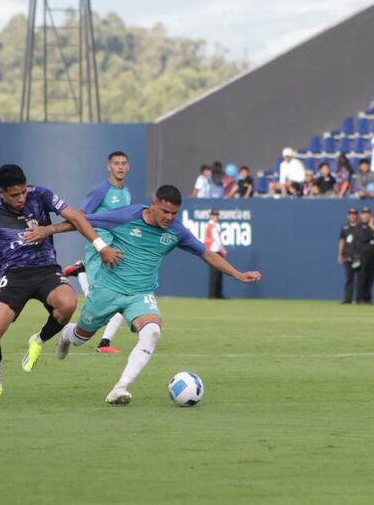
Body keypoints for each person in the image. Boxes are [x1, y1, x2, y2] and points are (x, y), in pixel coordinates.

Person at [33, 185, 261, 405]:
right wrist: (48, 230)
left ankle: (120, 388)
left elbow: (206, 253)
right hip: (107, 289)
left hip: (140, 294)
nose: (169, 217)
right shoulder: (125, 216)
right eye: (165, 211)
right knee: (81, 337)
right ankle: (66, 335)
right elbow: (80, 221)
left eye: (174, 213)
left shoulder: (176, 231)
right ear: (153, 204)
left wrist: (237, 274)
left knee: (152, 332)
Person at [0, 164, 121, 407]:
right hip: (14, 275)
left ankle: (38, 340)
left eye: (22, 193)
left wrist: (100, 247)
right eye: (14, 195)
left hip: (46, 269)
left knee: (68, 303)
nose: (21, 199)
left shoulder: (41, 195)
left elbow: (76, 218)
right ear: (2, 193)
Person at [63, 151, 132, 354]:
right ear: (108, 167)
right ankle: (81, 272)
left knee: (121, 296)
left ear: (128, 167)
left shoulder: (126, 193)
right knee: (101, 299)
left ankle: (104, 343)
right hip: (99, 249)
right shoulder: (101, 190)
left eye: (123, 163)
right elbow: (80, 217)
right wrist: (97, 243)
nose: (120, 167)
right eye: (116, 164)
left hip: (116, 251)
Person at [338, 208, 365, 304]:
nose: (352, 216)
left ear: (357, 216)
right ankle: (347, 299)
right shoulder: (345, 228)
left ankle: (359, 298)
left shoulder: (361, 227)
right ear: (348, 215)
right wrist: (340, 254)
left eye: (354, 214)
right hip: (347, 255)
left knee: (360, 278)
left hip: (358, 256)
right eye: (350, 214)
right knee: (349, 278)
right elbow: (342, 241)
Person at [359, 207, 374, 304]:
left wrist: (373, 227)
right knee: (363, 277)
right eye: (364, 213)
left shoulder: (373, 225)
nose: (366, 215)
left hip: (373, 254)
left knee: (370, 277)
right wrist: (373, 233)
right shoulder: (359, 226)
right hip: (363, 254)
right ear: (361, 215)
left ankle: (367, 298)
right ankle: (361, 298)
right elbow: (363, 237)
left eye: (368, 213)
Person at [204, 209, 227, 299]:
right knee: (214, 274)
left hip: (216, 251)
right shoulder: (211, 226)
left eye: (217, 215)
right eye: (214, 215)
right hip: (213, 251)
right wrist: (223, 249)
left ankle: (218, 294)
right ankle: (212, 295)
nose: (216, 217)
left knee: (219, 273)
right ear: (211, 216)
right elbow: (217, 239)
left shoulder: (214, 225)